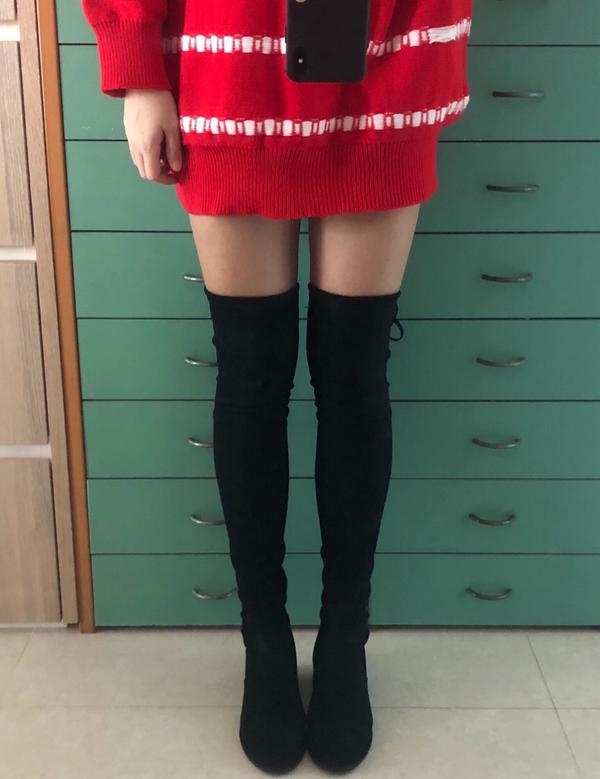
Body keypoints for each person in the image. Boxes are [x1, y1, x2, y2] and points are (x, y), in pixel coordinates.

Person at [81, 0, 472, 773]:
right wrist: (138, 73)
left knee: (355, 376)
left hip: (393, 52)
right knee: (251, 377)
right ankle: (264, 640)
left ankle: (344, 639)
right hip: (228, 61)